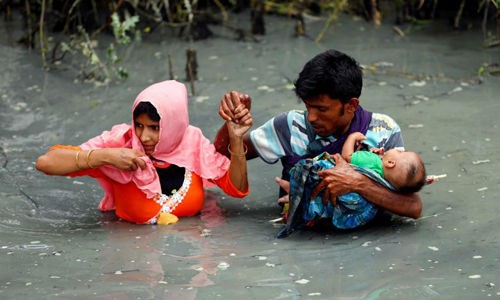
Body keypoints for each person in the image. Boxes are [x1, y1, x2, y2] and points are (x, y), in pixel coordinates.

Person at [214, 49, 422, 229]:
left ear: (350, 105)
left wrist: (358, 183)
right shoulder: (290, 125)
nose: (311, 117)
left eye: (321, 109)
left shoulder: (384, 130)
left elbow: (413, 207)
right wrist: (232, 127)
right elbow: (218, 156)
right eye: (308, 106)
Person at [36, 80, 253, 225]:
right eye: (139, 125)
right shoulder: (119, 143)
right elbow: (45, 162)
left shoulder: (192, 143)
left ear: (173, 125)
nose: (144, 137)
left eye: (154, 128)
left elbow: (237, 189)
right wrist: (104, 156)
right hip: (133, 264)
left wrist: (235, 138)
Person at [342, 132, 427, 194]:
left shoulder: (372, 161)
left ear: (390, 163)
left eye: (400, 153)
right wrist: (381, 157)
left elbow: (347, 157)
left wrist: (352, 138)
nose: (399, 149)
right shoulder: (385, 186)